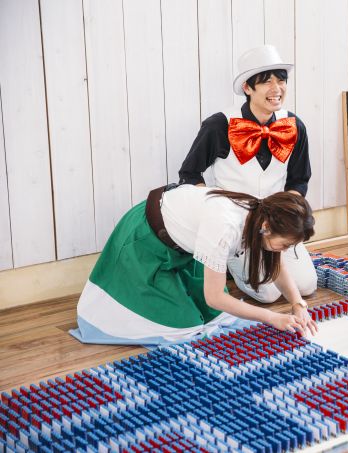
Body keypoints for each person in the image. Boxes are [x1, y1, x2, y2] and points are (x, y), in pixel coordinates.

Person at [70, 184, 317, 346]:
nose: (284, 251)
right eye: (285, 244)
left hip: (184, 251)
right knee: (183, 325)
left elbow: (276, 265)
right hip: (146, 242)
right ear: (267, 228)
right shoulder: (225, 226)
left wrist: (298, 304)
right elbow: (215, 297)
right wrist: (271, 317)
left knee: (212, 317)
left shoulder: (264, 214)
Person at [178, 44, 317, 303]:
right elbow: (189, 174)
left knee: (307, 286)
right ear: (247, 87)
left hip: (278, 226)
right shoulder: (219, 125)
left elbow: (299, 179)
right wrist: (218, 212)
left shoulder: (293, 125)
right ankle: (230, 263)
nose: (276, 88)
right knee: (268, 294)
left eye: (281, 80)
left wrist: (286, 218)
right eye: (266, 81)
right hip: (238, 227)